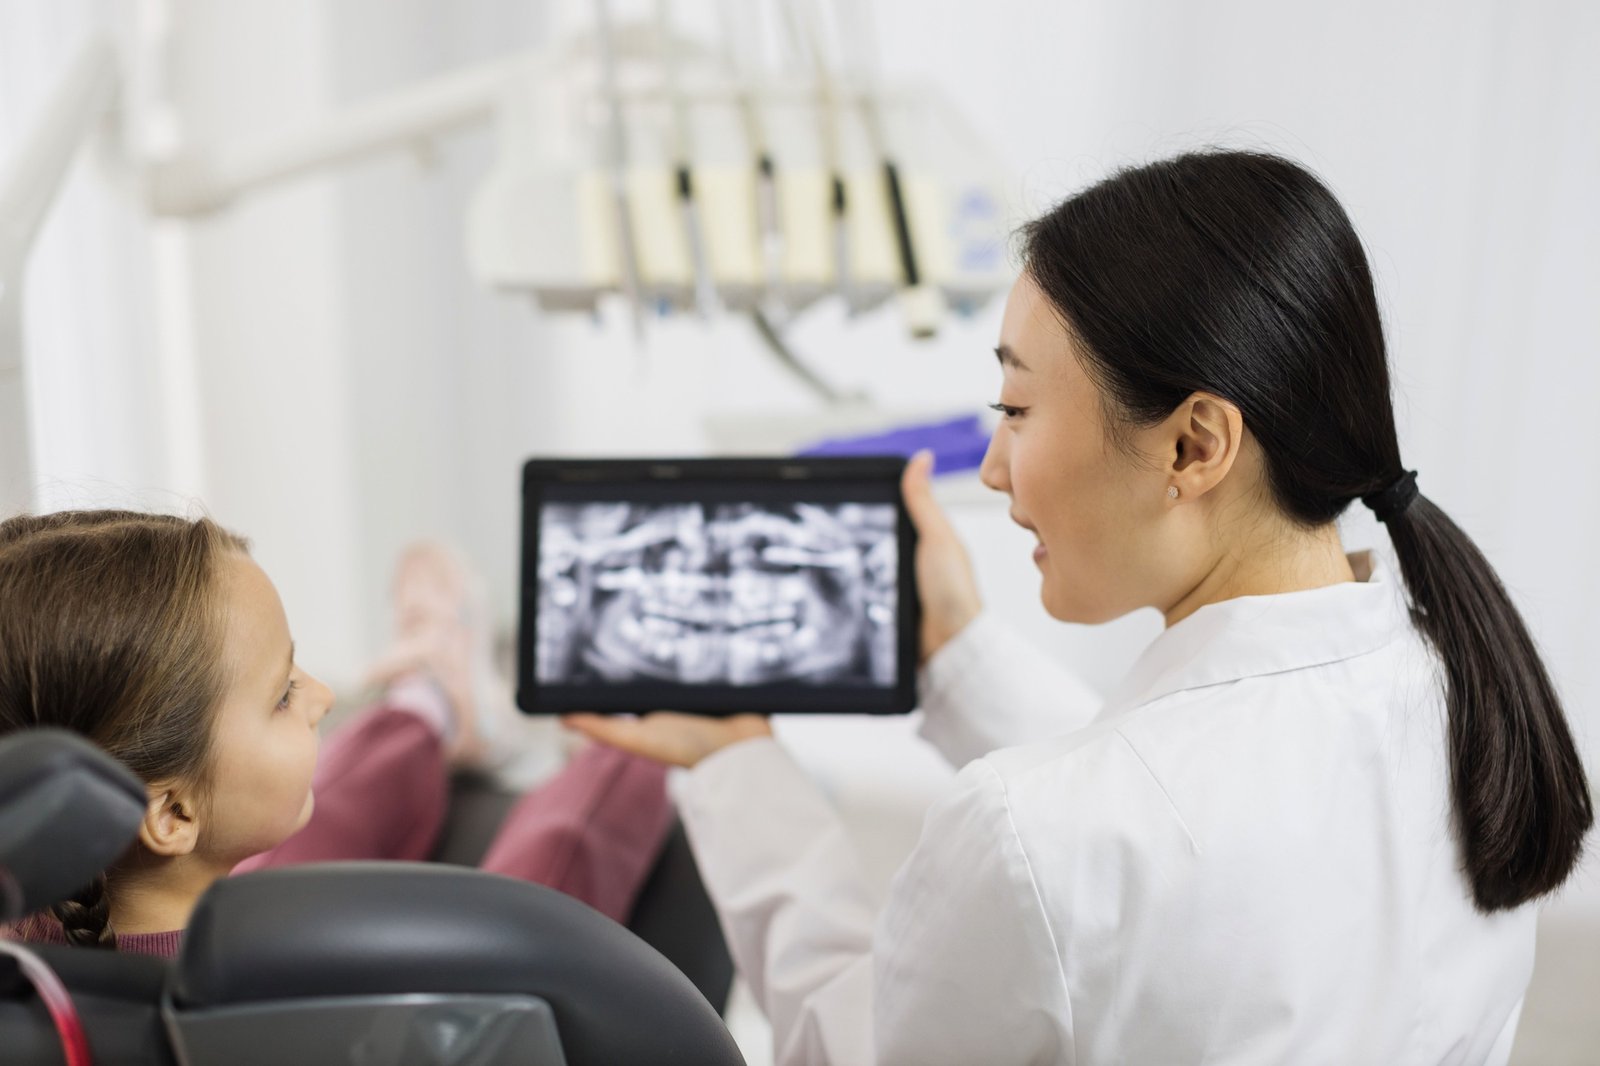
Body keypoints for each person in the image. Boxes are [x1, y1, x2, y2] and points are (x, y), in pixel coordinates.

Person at [566, 150, 1595, 1065]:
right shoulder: (1465, 704)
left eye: (1015, 408)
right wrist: (953, 653)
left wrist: (733, 761)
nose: (997, 466)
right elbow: (1174, 829)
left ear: (1194, 445)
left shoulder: (1042, 829)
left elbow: (874, 1030)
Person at [0, 515, 671, 955]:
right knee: (542, 881)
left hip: (185, 906)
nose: (322, 696)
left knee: (313, 819)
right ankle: (627, 732)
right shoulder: (301, 999)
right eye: (283, 692)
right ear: (170, 812)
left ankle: (428, 705)